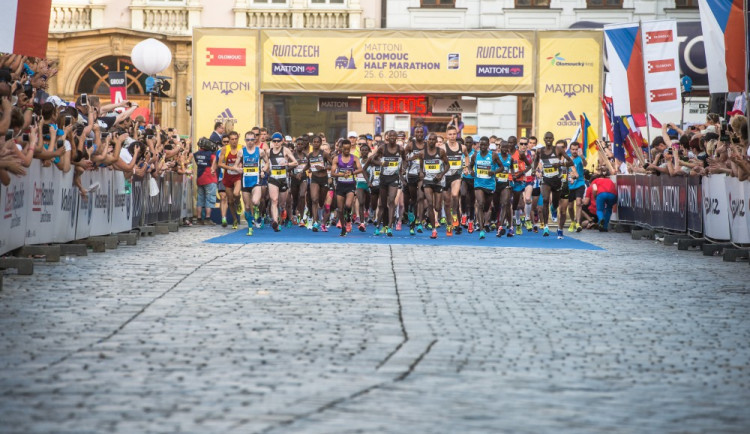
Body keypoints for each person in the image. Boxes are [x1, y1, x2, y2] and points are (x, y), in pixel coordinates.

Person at [533, 132, 574, 237]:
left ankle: (554, 210)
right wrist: (534, 170)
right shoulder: (540, 151)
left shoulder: (558, 150)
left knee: (556, 204)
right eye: (546, 138)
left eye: (550, 138)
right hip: (546, 179)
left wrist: (560, 164)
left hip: (557, 180)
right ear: (543, 138)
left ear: (553, 139)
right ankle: (546, 227)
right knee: (546, 199)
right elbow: (536, 160)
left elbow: (571, 162)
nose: (548, 140)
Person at [369, 130, 407, 236]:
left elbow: (405, 160)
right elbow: (373, 160)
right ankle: (378, 226)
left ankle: (390, 227)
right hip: (383, 178)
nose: (392, 138)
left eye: (394, 136)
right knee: (382, 204)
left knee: (391, 201)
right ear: (387, 137)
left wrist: (403, 168)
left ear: (396, 138)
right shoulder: (382, 148)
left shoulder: (400, 149)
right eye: (390, 136)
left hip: (394, 178)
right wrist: (381, 163)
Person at [331, 139, 364, 236]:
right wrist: (342, 174)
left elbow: (360, 169)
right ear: (341, 148)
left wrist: (352, 173)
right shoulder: (336, 159)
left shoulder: (354, 158)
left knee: (348, 205)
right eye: (344, 149)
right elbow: (333, 173)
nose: (346, 151)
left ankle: (348, 219)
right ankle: (343, 228)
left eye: (348, 149)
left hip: (350, 185)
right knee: (340, 209)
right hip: (340, 185)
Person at [240, 130, 270, 235]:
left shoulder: (260, 151)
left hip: (256, 181)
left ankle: (257, 210)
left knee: (256, 201)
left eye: (252, 139)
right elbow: (236, 165)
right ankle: (250, 227)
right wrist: (238, 169)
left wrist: (263, 170)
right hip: (245, 182)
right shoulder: (241, 152)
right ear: (245, 140)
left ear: (255, 140)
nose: (250, 142)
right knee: (247, 207)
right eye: (248, 140)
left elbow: (267, 163)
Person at [267, 132, 298, 232]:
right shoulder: (268, 152)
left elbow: (296, 162)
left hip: (283, 179)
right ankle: (275, 222)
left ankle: (282, 211)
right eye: (274, 141)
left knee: (282, 203)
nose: (276, 143)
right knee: (274, 200)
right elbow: (265, 163)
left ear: (282, 141)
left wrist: (287, 163)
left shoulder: (285, 150)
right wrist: (264, 170)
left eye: (278, 141)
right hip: (273, 179)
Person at [421, 133, 450, 239]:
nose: (432, 141)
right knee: (430, 203)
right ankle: (434, 230)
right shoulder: (423, 152)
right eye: (430, 139)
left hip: (438, 182)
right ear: (427, 141)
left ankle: (432, 217)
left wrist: (441, 174)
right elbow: (420, 166)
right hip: (427, 181)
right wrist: (421, 173)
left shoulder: (441, 152)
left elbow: (448, 165)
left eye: (434, 139)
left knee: (437, 207)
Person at [468, 136, 495, 239]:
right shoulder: (475, 155)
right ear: (479, 144)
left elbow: (501, 167)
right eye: (481, 144)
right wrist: (471, 171)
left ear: (488, 145)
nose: (483, 146)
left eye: (485, 145)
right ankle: (481, 228)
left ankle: (483, 221)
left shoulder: (493, 156)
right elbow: (470, 165)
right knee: (480, 203)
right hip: (478, 183)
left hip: (489, 184)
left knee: (487, 206)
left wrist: (494, 172)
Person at [442, 125, 467, 236]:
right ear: (447, 135)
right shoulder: (443, 148)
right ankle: (449, 224)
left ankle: (455, 213)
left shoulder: (462, 147)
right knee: (447, 203)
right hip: (445, 177)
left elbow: (466, 156)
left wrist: (466, 167)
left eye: (454, 134)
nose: (452, 136)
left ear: (457, 135)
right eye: (450, 134)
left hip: (456, 175)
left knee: (455, 195)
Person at [218, 131, 243, 229]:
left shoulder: (242, 148)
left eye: (236, 139)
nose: (234, 141)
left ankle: (239, 202)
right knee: (230, 201)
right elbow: (220, 163)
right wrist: (231, 168)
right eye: (232, 139)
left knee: (236, 194)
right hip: (228, 176)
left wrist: (241, 165)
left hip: (237, 176)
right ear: (229, 140)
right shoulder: (225, 149)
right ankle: (235, 219)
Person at [403, 126, 425, 235]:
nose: (419, 133)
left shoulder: (427, 144)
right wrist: (404, 167)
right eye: (417, 132)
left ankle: (420, 222)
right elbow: (404, 157)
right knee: (414, 199)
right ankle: (412, 221)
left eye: (421, 131)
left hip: (422, 175)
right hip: (411, 174)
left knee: (421, 197)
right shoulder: (411, 145)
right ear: (415, 134)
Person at [307, 135, 331, 232]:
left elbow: (332, 163)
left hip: (324, 178)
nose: (316, 143)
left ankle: (320, 217)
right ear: (312, 143)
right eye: (314, 142)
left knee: (321, 202)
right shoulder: (310, 155)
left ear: (320, 143)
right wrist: (303, 171)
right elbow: (308, 165)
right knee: (314, 199)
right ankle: (315, 221)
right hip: (314, 178)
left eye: (318, 142)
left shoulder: (324, 154)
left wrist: (324, 168)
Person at [193, 138, 218, 225]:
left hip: (200, 178)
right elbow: (216, 160)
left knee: (200, 199)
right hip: (210, 178)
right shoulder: (211, 155)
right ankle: (207, 218)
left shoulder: (196, 154)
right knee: (210, 199)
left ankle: (199, 218)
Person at [493, 140, 515, 237]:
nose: (505, 149)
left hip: (506, 184)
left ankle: (501, 227)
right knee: (496, 205)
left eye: (507, 147)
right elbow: (492, 167)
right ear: (500, 147)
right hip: (496, 184)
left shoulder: (510, 158)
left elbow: (512, 168)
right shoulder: (496, 157)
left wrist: (513, 174)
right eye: (503, 147)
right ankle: (510, 226)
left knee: (505, 204)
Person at [566, 141, 587, 233]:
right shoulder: (567, 159)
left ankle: (578, 223)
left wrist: (582, 156)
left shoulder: (580, 158)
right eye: (573, 149)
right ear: (570, 150)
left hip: (580, 183)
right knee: (570, 206)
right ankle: (572, 221)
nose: (574, 151)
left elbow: (585, 164)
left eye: (576, 149)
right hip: (569, 185)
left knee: (578, 203)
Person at [290, 137, 309, 227]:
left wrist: (302, 172)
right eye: (298, 144)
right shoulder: (292, 155)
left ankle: (302, 217)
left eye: (301, 144)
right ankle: (294, 212)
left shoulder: (306, 156)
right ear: (295, 145)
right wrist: (294, 168)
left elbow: (309, 166)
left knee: (302, 195)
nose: (300, 146)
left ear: (304, 145)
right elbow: (287, 169)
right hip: (294, 178)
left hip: (303, 177)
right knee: (295, 198)